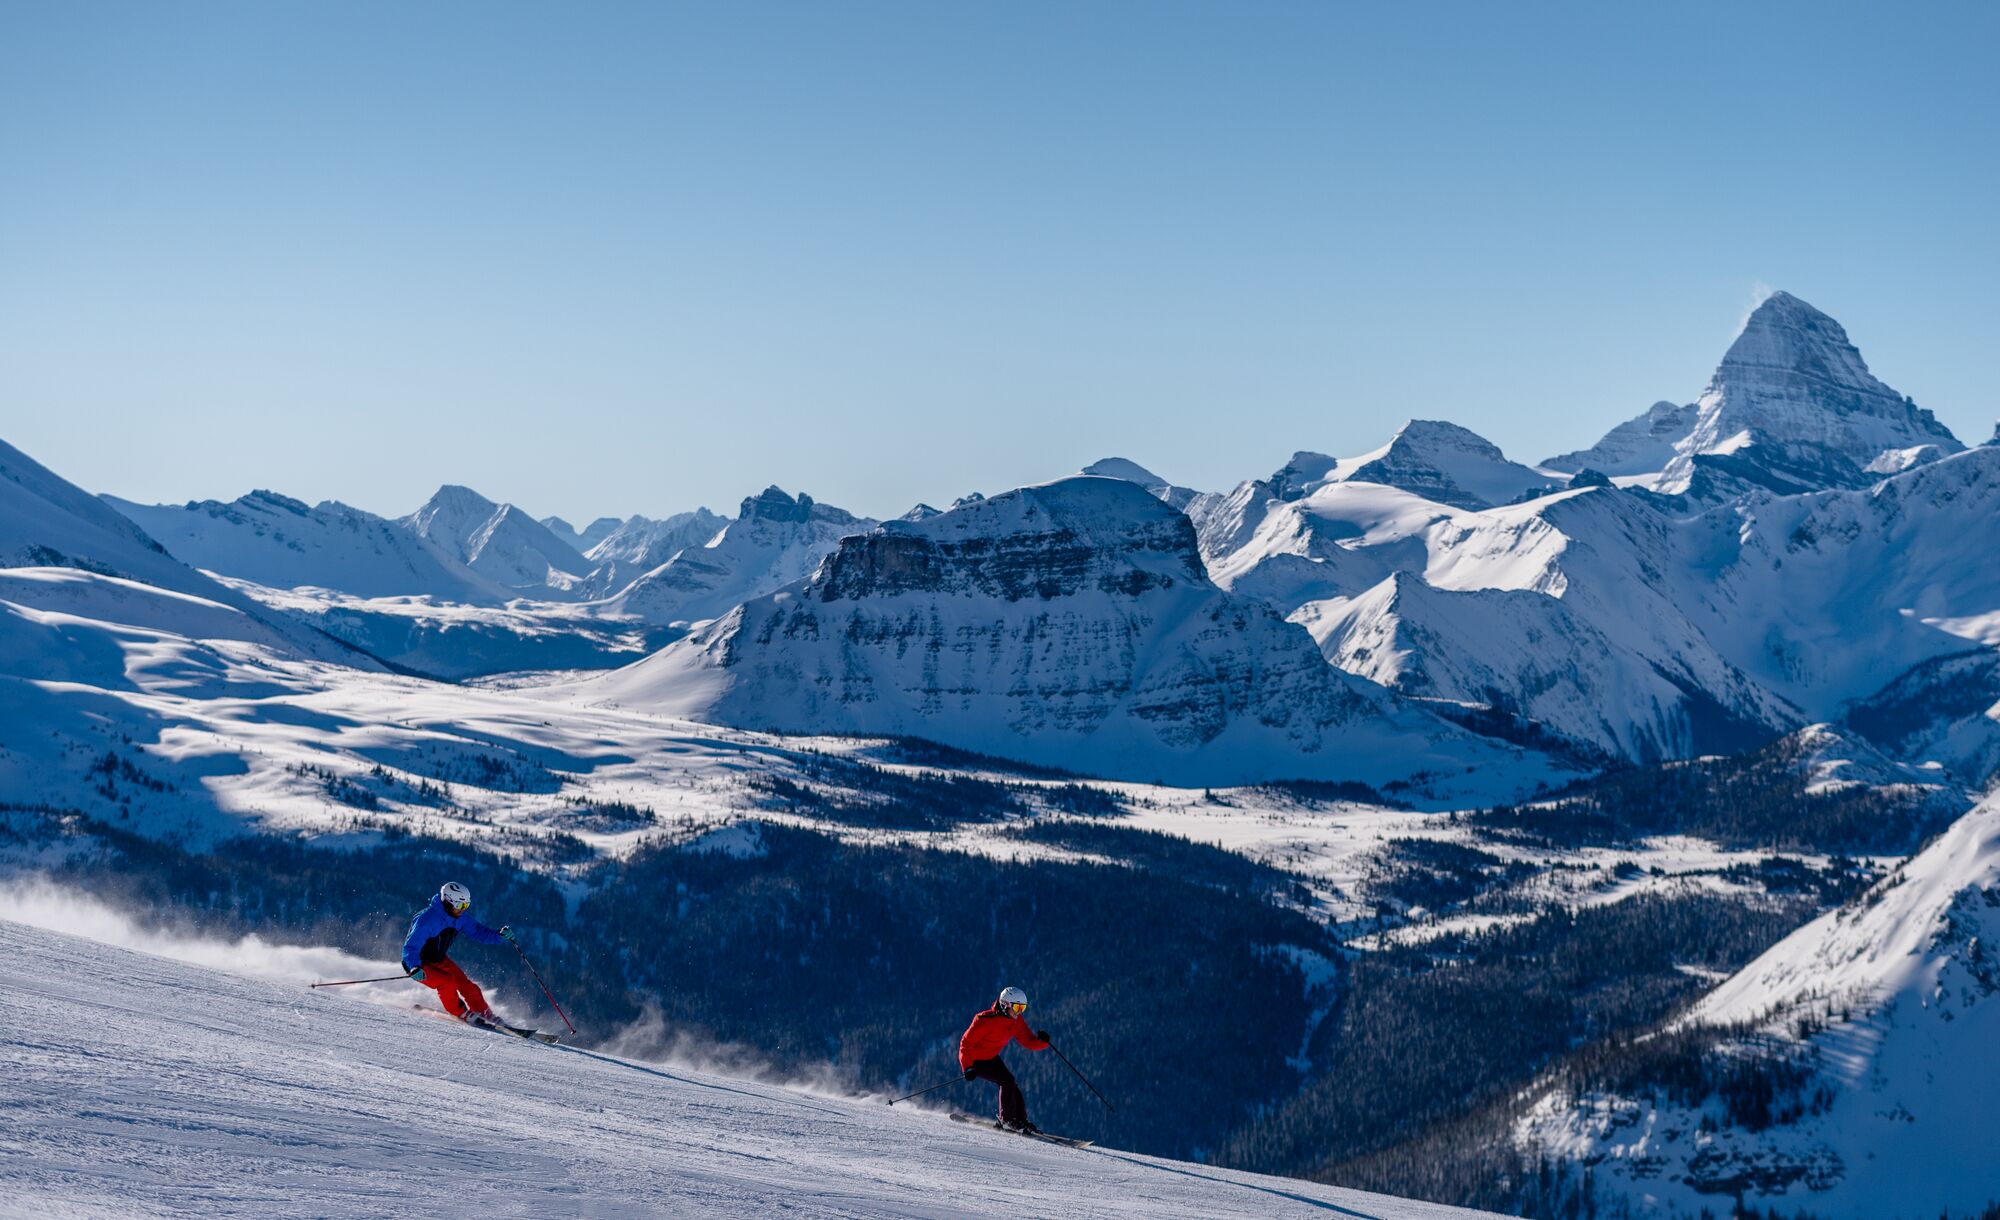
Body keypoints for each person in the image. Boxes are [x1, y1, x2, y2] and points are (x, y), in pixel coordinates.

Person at [402, 881, 513, 1024]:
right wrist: (414, 967)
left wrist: (498, 935)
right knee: (446, 982)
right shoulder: (427, 919)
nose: (462, 910)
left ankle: (485, 1013)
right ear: (448, 902)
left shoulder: (459, 918)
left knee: (466, 985)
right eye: (460, 905)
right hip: (417, 963)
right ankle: (460, 1012)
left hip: (438, 959)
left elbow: (477, 931)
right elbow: (410, 947)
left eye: (466, 906)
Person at [958, 985, 1051, 1133]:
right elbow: (965, 1044)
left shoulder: (1015, 1021)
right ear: (1005, 1004)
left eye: (1023, 1008)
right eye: (1017, 1008)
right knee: (1006, 1081)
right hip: (975, 1060)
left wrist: (1043, 1042)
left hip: (991, 1057)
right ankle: (1007, 1120)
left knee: (1011, 1082)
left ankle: (1020, 1120)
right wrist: (967, 1067)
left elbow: (1027, 1040)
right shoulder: (984, 1020)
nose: (1019, 1012)